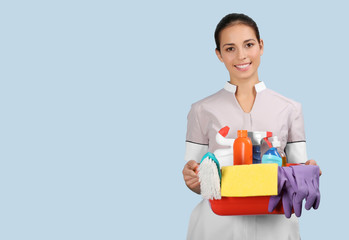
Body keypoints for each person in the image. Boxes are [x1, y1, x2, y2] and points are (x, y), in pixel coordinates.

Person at [182, 13, 321, 240]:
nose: (241, 55)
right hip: (216, 226)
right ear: (219, 54)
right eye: (230, 48)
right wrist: (191, 178)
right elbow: (195, 176)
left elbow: (297, 167)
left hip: (275, 226)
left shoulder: (291, 109)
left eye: (248, 45)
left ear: (261, 46)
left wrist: (308, 171)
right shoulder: (201, 110)